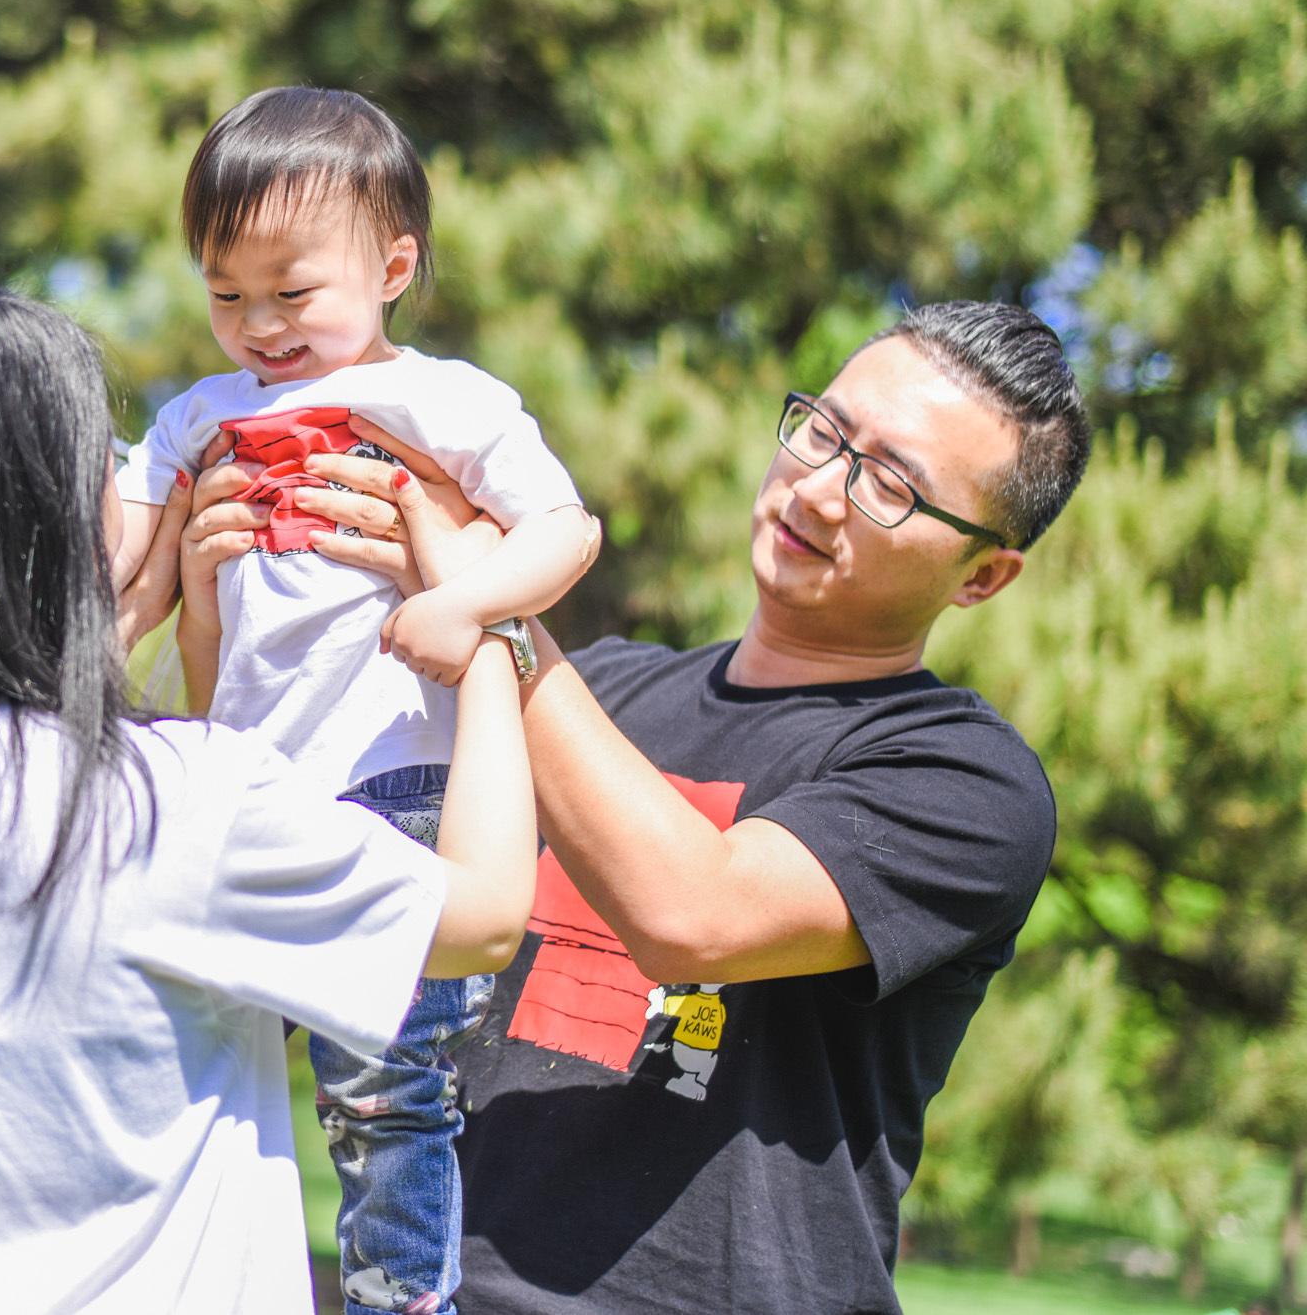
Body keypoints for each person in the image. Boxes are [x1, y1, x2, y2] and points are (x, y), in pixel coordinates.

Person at [175, 300, 1090, 1312]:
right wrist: (215, 637)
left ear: (981, 576)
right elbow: (316, 911)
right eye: (823, 432)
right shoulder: (594, 689)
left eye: (888, 486)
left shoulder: (962, 778)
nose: (819, 491)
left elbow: (689, 918)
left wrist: (491, 610)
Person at [0, 282, 540, 1314]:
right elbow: (484, 915)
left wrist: (160, 624)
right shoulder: (175, 806)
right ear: (54, 510)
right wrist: (489, 620)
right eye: (102, 458)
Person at [110, 86, 598, 1315]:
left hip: (395, 779)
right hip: (248, 776)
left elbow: (564, 528)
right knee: (190, 1049)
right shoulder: (196, 415)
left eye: (292, 290)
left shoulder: (442, 401)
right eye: (225, 293)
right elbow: (127, 530)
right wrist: (122, 578)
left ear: (390, 267)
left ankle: (400, 1300)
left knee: (388, 1089)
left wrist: (465, 604)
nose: (258, 325)